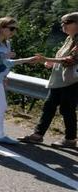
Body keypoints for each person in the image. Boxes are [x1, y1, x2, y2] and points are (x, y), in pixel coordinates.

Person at [0, 17, 39, 144]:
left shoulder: (7, 44)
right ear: (2, 27)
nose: (14, 32)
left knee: (1, 106)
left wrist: (26, 60)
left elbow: (7, 63)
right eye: (11, 28)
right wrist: (3, 56)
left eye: (15, 29)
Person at [19, 12, 78, 148]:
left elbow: (70, 60)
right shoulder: (70, 38)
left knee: (66, 109)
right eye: (62, 22)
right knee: (50, 106)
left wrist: (46, 59)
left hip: (72, 82)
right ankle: (38, 135)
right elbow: (63, 58)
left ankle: (70, 139)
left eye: (67, 22)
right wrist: (52, 63)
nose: (63, 25)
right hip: (61, 80)